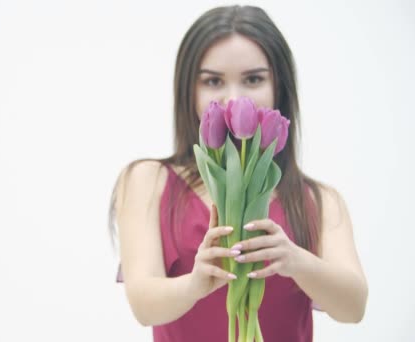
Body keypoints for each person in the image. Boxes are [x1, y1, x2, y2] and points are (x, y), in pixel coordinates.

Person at [107, 5, 368, 342]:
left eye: (253, 79)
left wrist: (295, 261)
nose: (233, 98)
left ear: (280, 86)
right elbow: (144, 306)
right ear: (189, 89)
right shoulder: (149, 181)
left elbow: (354, 307)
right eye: (213, 81)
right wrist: (196, 283)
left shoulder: (318, 201)